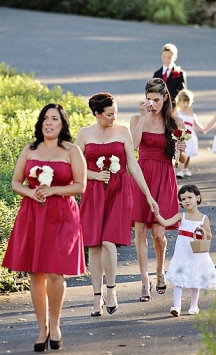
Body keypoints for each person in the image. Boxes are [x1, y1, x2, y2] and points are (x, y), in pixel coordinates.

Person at [3, 103, 87, 352]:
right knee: (36, 273)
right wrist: (30, 192)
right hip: (33, 214)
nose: (49, 122)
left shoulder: (72, 151)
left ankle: (55, 323)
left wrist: (53, 190)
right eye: (45, 119)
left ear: (63, 124)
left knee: (55, 272)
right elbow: (16, 182)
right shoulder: (29, 150)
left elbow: (80, 186)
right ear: (40, 123)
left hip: (62, 215)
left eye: (54, 119)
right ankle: (42, 329)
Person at [74, 92, 158, 317]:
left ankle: (111, 291)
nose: (114, 118)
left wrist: (148, 196)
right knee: (94, 245)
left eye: (115, 113)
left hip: (120, 191)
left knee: (109, 242)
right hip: (93, 193)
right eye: (109, 114)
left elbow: (133, 164)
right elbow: (73, 165)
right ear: (97, 114)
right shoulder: (84, 134)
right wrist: (93, 175)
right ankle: (95, 296)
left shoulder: (122, 133)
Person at [130, 77, 188, 302]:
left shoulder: (176, 122)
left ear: (165, 98)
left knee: (159, 234)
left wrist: (181, 149)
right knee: (141, 232)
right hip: (141, 175)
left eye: (156, 100)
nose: (152, 104)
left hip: (165, 176)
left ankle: (160, 270)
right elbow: (133, 147)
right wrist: (144, 118)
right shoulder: (137, 118)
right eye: (148, 100)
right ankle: (144, 280)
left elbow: (181, 159)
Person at [154, 184, 216, 316]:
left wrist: (202, 230)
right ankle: (176, 306)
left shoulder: (203, 218)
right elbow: (166, 223)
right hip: (182, 252)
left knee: (195, 278)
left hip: (196, 252)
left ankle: (194, 306)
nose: (187, 201)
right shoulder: (180, 216)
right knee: (179, 278)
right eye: (183, 199)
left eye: (189, 197)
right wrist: (157, 214)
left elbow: (210, 236)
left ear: (197, 197)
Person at [174, 88, 205, 178]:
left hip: (190, 136)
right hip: (181, 136)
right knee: (182, 151)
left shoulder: (191, 115)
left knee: (189, 153)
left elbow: (196, 125)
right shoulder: (177, 113)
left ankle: (185, 168)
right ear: (179, 102)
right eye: (183, 102)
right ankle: (180, 170)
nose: (186, 105)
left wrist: (203, 130)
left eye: (188, 102)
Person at [152, 43, 186, 108]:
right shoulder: (157, 74)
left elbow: (182, 92)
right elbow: (153, 91)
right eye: (164, 57)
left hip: (174, 106)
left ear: (175, 57)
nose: (166, 59)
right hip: (160, 107)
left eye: (169, 57)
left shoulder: (180, 73)